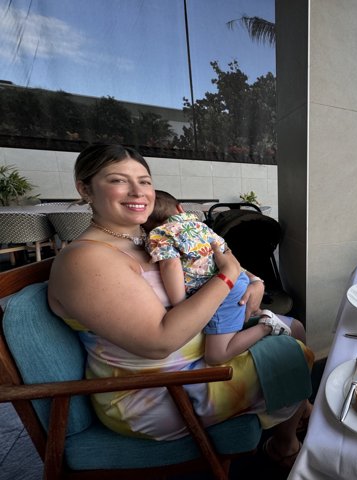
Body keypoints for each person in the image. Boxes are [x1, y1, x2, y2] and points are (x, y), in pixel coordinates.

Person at [47, 144, 314, 470]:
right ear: (84, 188)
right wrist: (229, 277)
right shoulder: (86, 259)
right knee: (296, 353)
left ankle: (289, 430)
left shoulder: (145, 238)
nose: (138, 192)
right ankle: (286, 446)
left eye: (144, 181)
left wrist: (254, 281)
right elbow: (160, 342)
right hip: (154, 394)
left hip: (194, 362)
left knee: (292, 329)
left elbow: (213, 261)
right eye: (119, 180)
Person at [143, 190, 303, 365]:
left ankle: (267, 326)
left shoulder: (159, 234)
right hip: (235, 281)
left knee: (216, 356)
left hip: (225, 291)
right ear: (180, 209)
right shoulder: (201, 226)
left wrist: (180, 305)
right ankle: (254, 319)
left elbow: (170, 265)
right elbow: (226, 253)